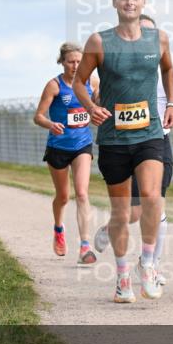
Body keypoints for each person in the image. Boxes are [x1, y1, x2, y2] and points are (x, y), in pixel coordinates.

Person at [73, 0, 173, 304]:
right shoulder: (99, 42)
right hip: (114, 139)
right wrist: (91, 107)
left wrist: (172, 104)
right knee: (120, 214)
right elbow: (79, 82)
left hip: (150, 135)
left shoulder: (159, 39)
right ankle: (122, 278)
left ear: (143, 1)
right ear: (114, 2)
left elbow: (169, 70)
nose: (129, 2)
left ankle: (147, 263)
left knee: (151, 196)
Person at [92, 13, 173, 286]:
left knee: (155, 204)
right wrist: (99, 98)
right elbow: (100, 96)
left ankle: (150, 266)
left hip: (156, 142)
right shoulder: (119, 70)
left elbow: (170, 104)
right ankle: (112, 227)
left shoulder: (162, 70)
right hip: (123, 143)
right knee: (131, 213)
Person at [33, 43, 99, 263]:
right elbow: (38, 116)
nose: (75, 65)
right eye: (71, 61)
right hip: (58, 147)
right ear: (62, 62)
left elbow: (98, 101)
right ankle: (58, 228)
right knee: (63, 196)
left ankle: (85, 246)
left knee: (82, 193)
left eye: (79, 61)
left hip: (82, 144)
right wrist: (50, 124)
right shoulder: (54, 86)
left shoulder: (92, 81)